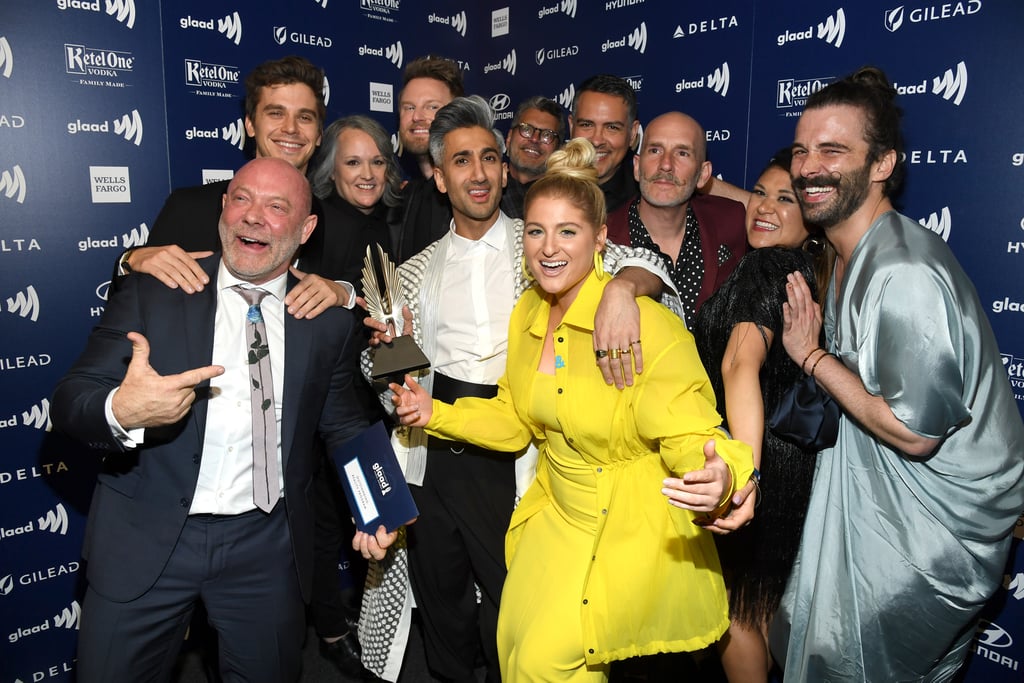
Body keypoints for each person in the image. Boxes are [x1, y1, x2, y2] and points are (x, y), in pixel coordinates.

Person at [385, 138, 754, 682]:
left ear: (601, 238)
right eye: (535, 231)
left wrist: (723, 472)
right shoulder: (529, 310)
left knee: (544, 664)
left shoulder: (642, 326)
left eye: (567, 232)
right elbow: (513, 423)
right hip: (554, 516)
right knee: (512, 643)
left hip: (623, 521)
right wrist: (431, 411)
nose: (548, 247)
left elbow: (695, 434)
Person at [355, 98, 675, 683]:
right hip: (431, 449)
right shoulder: (415, 270)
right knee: (442, 601)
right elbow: (385, 384)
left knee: (517, 602)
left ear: (504, 169)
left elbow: (639, 261)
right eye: (459, 162)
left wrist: (625, 289)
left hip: (518, 450)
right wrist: (384, 355)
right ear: (437, 174)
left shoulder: (539, 242)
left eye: (487, 159)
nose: (476, 174)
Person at [50, 157, 371, 683]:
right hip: (146, 538)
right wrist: (121, 412)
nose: (253, 217)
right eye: (242, 199)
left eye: (277, 207)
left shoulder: (324, 320)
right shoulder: (153, 289)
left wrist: (376, 508)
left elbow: (344, 427)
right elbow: (71, 399)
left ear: (306, 229)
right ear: (223, 208)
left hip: (266, 547)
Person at [772, 66, 1024, 681]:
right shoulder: (853, 249)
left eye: (834, 150)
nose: (809, 168)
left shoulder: (903, 273)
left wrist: (810, 355)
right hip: (888, 515)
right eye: (802, 150)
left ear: (882, 164)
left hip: (927, 541)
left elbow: (916, 434)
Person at [682, 149, 832, 683]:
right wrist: (714, 183)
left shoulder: (764, 267)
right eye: (759, 193)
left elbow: (738, 366)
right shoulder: (799, 268)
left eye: (784, 198)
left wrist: (743, 474)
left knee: (737, 611)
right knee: (762, 607)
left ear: (810, 214)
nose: (764, 207)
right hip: (788, 460)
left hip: (755, 457)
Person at [117, 55, 354, 319]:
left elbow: (367, 327)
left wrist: (345, 295)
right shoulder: (188, 208)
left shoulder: (341, 229)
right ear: (250, 125)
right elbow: (130, 308)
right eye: (276, 113)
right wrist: (129, 262)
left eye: (305, 118)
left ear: (319, 135)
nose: (290, 128)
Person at [305, 114, 403, 677]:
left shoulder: (383, 223)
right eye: (352, 162)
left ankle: (358, 623)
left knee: (367, 518)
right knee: (329, 517)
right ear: (330, 170)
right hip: (328, 398)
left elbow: (388, 317)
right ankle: (334, 630)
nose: (367, 173)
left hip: (367, 396)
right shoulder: (323, 224)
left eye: (376, 161)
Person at [606, 111, 747, 329]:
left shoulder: (731, 220)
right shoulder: (602, 239)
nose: (665, 165)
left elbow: (782, 213)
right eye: (654, 150)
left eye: (682, 153)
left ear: (703, 174)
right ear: (636, 166)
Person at [387, 55, 463, 262]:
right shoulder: (404, 199)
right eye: (409, 107)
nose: (417, 116)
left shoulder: (479, 190)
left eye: (432, 107)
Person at [568, 74, 640, 213]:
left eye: (612, 127)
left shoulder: (645, 201)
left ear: (632, 133)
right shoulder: (545, 190)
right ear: (571, 127)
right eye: (586, 125)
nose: (596, 141)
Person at [500, 95, 565, 219]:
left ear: (558, 150)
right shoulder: (486, 191)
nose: (534, 139)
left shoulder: (569, 198)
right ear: (509, 138)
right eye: (526, 129)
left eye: (547, 135)